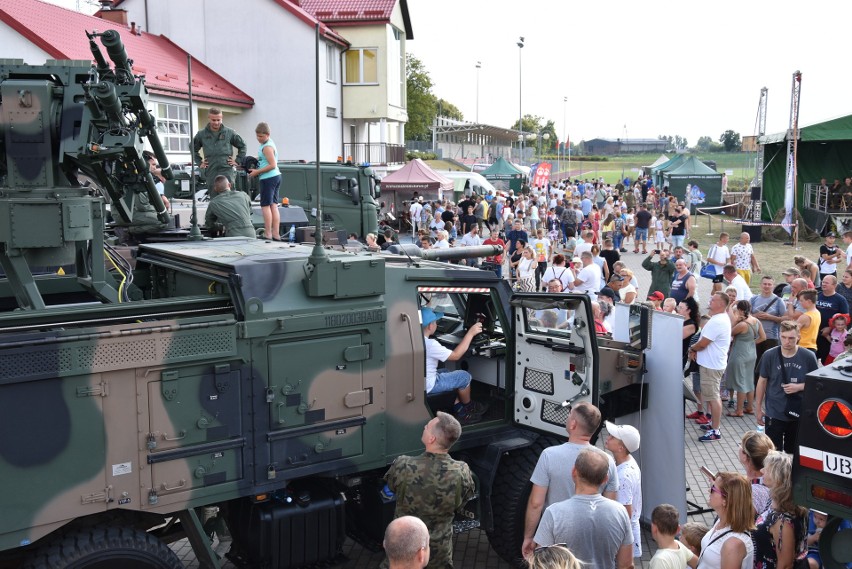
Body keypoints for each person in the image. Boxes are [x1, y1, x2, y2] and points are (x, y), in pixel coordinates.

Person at [522, 402, 618, 558]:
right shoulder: (607, 461)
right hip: (591, 541)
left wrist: (528, 537)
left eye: (569, 414)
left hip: (555, 541)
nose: (567, 417)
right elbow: (611, 507)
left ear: (573, 424)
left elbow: (536, 503)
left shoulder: (549, 455)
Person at [384, 413, 475, 569]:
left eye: (427, 427)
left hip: (405, 548)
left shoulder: (403, 465)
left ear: (431, 439)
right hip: (439, 551)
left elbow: (392, 488)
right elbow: (462, 502)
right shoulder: (461, 471)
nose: (424, 427)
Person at [532, 449, 634, 569]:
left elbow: (542, 563)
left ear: (574, 472)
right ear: (605, 479)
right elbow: (626, 564)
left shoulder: (554, 513)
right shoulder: (620, 512)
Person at [756, 321, 819, 453]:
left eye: (791, 338)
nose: (787, 342)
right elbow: (762, 382)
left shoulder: (808, 356)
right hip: (774, 412)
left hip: (797, 413)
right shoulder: (769, 355)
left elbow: (816, 384)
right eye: (783, 337)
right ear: (779, 335)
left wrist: (799, 386)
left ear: (799, 337)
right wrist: (758, 409)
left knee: (793, 453)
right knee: (773, 453)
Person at [420, 308, 486, 424]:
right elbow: (456, 355)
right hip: (429, 385)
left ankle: (458, 409)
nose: (436, 324)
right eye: (435, 322)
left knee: (445, 371)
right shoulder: (430, 344)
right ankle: (468, 407)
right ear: (430, 326)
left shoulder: (413, 340)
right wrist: (471, 333)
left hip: (420, 383)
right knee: (464, 377)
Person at [752, 451, 808, 569]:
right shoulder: (785, 503)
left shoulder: (782, 521)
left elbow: (785, 565)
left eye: (766, 470)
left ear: (777, 478)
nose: (761, 471)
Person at [689, 292, 732, 442]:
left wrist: (692, 349)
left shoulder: (718, 321)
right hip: (711, 364)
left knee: (713, 397)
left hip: (712, 366)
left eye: (713, 300)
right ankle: (712, 423)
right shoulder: (718, 318)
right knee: (710, 395)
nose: (710, 301)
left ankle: (715, 430)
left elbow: (703, 343)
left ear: (721, 304)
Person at [696, 472, 755, 569]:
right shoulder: (721, 521)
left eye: (712, 489)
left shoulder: (733, 544)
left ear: (726, 500)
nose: (708, 490)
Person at [605, 421, 643, 559]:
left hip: (621, 538)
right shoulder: (626, 461)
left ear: (621, 448)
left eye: (612, 437)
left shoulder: (624, 476)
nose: (608, 437)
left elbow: (625, 514)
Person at [726, 301, 765, 417]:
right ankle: (749, 407)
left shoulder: (743, 324)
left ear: (740, 310)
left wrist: (736, 321)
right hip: (751, 353)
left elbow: (730, 332)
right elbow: (763, 337)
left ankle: (739, 410)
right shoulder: (756, 321)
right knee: (749, 380)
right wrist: (751, 342)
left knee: (740, 382)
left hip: (739, 354)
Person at [192, 107, 246, 185]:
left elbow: (243, 145)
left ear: (222, 118)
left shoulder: (229, 132)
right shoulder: (202, 134)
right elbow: (193, 147)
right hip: (211, 170)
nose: (216, 122)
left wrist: (237, 160)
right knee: (214, 194)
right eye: (213, 120)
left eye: (218, 120)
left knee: (229, 194)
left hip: (226, 170)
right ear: (209, 118)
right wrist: (199, 162)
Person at [247, 122, 282, 241]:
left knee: (265, 206)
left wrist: (257, 172)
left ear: (268, 134)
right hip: (276, 177)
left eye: (261, 136)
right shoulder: (268, 144)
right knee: (274, 206)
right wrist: (254, 158)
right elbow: (264, 158)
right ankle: (276, 234)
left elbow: (272, 164)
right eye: (257, 136)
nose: (258, 138)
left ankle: (268, 233)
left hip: (268, 178)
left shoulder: (266, 147)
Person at [751, 275, 786, 374]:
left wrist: (771, 317)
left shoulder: (779, 301)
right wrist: (755, 315)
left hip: (771, 337)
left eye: (769, 284)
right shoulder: (753, 299)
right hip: (755, 337)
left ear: (773, 286)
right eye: (765, 284)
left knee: (769, 366)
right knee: (755, 365)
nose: (767, 286)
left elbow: (786, 318)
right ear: (760, 285)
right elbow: (746, 316)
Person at [738, 430, 775, 518]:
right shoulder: (770, 479)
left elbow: (736, 521)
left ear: (745, 456)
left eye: (740, 445)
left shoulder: (755, 492)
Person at [649, 504, 697, 569]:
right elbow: (698, 563)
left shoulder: (659, 561)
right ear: (678, 529)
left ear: (654, 528)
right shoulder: (680, 546)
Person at [815, 275, 849, 363]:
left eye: (827, 282)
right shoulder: (817, 296)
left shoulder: (840, 300)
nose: (823, 284)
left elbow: (846, 318)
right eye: (823, 282)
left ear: (834, 285)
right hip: (815, 333)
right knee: (812, 359)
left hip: (830, 337)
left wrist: (830, 327)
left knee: (825, 361)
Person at [796, 289, 820, 355]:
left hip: (802, 347)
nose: (800, 303)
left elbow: (793, 332)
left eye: (801, 300)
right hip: (812, 347)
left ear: (809, 301)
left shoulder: (805, 317)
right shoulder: (817, 313)